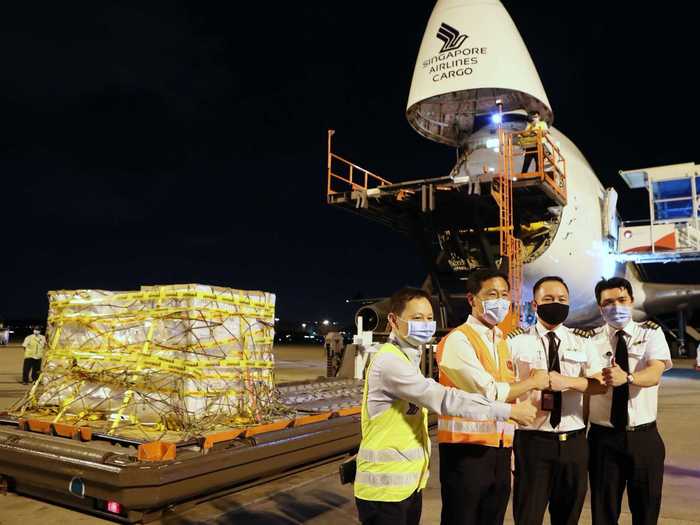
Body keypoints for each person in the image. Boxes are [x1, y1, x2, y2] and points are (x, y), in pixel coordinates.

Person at [354, 287, 537, 525]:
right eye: (416, 318)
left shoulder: (408, 358)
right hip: (383, 492)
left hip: (405, 487)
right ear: (393, 320)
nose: (426, 324)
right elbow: (444, 399)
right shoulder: (390, 362)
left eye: (429, 318)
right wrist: (508, 411)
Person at [436, 269, 549, 525]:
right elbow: (489, 391)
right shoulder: (458, 340)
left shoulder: (500, 340)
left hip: (499, 450)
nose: (500, 301)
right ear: (472, 299)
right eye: (491, 294)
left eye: (504, 294)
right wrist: (532, 382)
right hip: (465, 452)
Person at [508, 276, 607, 525]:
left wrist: (570, 382)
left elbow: (599, 385)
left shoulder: (582, 341)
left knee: (568, 516)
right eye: (549, 299)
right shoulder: (515, 342)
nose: (556, 303)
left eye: (562, 299)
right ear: (535, 304)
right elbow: (504, 388)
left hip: (573, 440)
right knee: (528, 514)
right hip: (532, 441)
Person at [588, 277, 672, 525]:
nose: (616, 306)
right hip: (603, 439)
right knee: (604, 513)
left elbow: (655, 373)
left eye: (622, 300)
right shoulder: (589, 339)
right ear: (600, 307)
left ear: (632, 301)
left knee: (646, 511)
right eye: (608, 302)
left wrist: (628, 377)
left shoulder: (650, 333)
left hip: (643, 437)